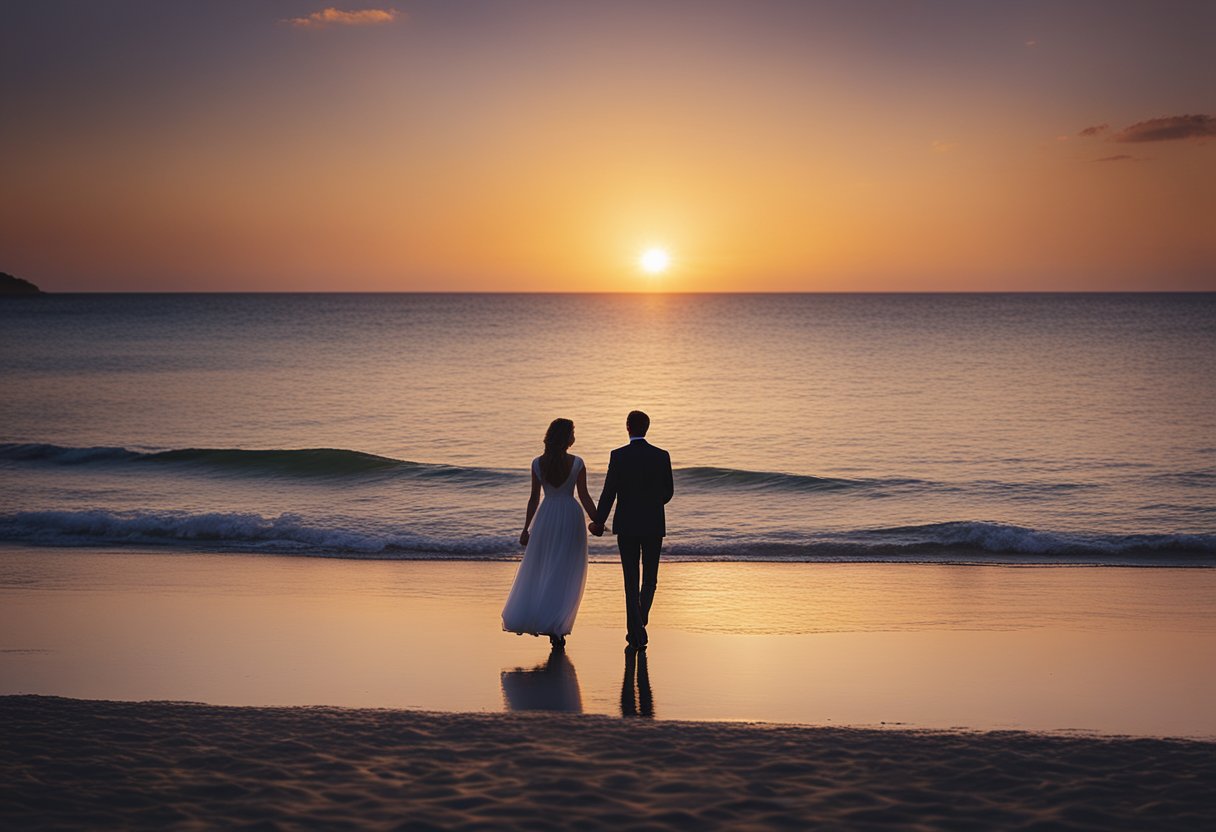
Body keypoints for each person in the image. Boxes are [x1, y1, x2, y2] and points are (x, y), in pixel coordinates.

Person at [502, 418, 599, 647]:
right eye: (573, 432)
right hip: (570, 516)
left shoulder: (537, 463)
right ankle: (556, 624)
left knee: (544, 567)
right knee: (565, 570)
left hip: (546, 517)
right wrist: (598, 520)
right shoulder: (577, 463)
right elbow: (584, 496)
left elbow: (534, 498)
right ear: (568, 438)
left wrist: (526, 528)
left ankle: (545, 620)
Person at [590, 410, 674, 650]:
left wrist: (598, 521)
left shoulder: (618, 456)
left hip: (626, 524)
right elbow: (668, 492)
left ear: (628, 427)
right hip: (654, 524)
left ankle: (636, 630)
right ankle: (639, 624)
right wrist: (652, 504)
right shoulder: (661, 456)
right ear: (647, 428)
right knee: (650, 579)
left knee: (630, 580)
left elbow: (609, 493)